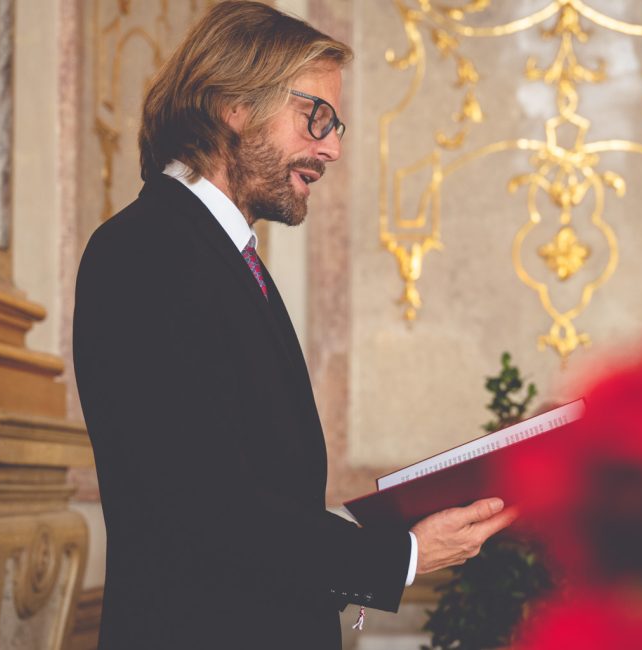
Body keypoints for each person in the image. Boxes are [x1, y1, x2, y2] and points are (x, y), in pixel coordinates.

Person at [72, 3, 516, 648]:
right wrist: (400, 558)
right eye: (318, 117)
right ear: (235, 103)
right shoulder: (144, 250)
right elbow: (199, 508)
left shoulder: (220, 253)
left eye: (336, 124)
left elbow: (243, 485)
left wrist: (379, 523)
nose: (333, 147)